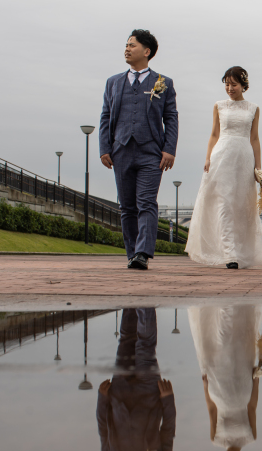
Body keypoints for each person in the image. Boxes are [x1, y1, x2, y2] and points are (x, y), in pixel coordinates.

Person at [99, 29, 179, 270]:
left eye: (132, 45)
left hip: (151, 152)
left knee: (146, 202)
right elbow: (105, 115)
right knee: (126, 206)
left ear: (146, 51)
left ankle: (143, 253)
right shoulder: (113, 82)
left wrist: (169, 149)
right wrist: (105, 147)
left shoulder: (163, 83)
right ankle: (132, 253)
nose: (126, 48)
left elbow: (171, 118)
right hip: (120, 150)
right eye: (126, 44)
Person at [97, 308, 176, 451]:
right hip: (149, 393)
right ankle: (145, 303)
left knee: (125, 340)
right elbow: (168, 430)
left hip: (119, 393)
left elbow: (103, 430)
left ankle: (131, 301)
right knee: (145, 346)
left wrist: (102, 399)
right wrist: (168, 400)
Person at [185, 66, 262, 269]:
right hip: (221, 156)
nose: (229, 88)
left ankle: (239, 251)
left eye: (234, 84)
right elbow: (214, 134)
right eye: (226, 84)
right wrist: (207, 158)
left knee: (241, 205)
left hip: (244, 158)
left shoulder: (253, 108)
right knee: (224, 203)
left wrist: (258, 167)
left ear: (243, 85)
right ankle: (230, 254)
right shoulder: (219, 106)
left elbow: (254, 139)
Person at [188, 305, 262, 451]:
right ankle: (236, 307)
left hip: (219, 383)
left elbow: (211, 410)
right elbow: (252, 408)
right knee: (237, 342)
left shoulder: (216, 439)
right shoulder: (250, 437)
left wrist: (205, 386)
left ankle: (222, 308)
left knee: (221, 342)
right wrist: (256, 380)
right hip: (242, 382)